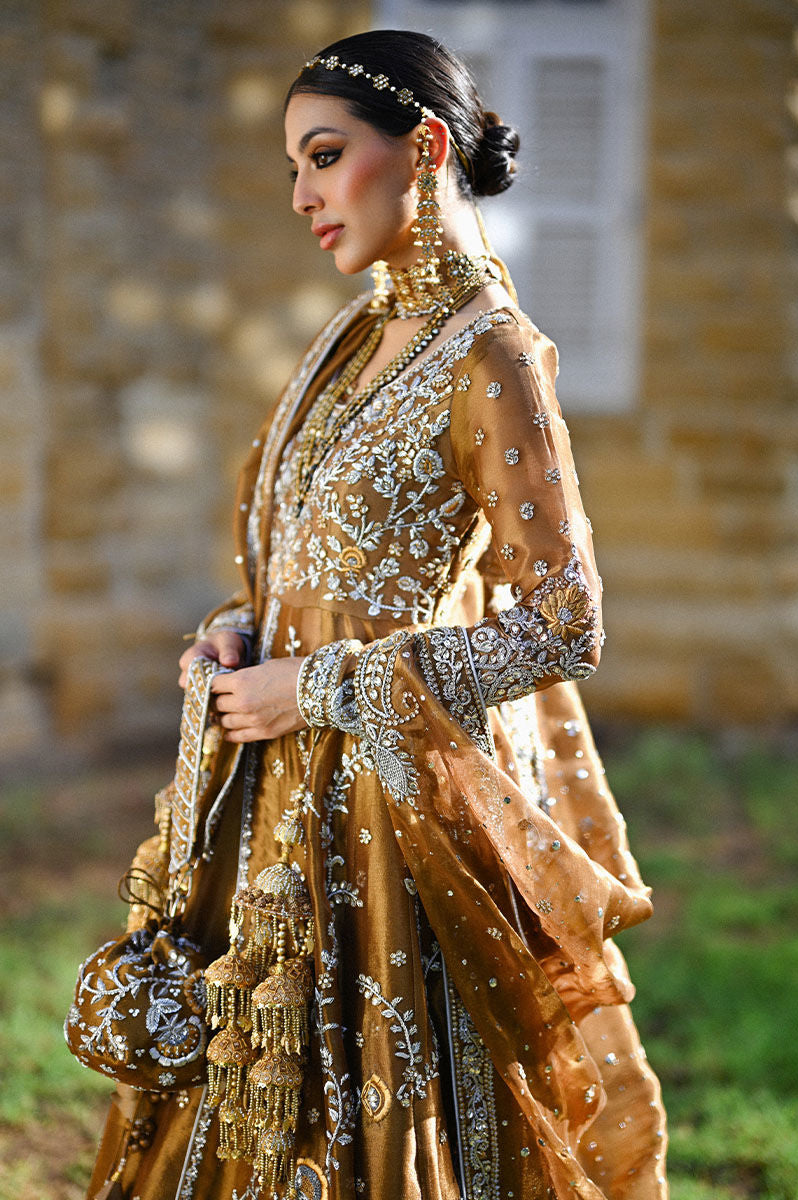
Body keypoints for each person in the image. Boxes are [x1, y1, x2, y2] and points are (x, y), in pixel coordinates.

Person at [85, 29, 668, 1200]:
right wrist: (241, 631)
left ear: (425, 147)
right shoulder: (352, 339)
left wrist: (317, 686)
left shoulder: (492, 354)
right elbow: (303, 563)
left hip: (386, 816)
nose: (302, 196)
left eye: (323, 156)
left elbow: (563, 622)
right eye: (292, 168)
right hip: (272, 799)